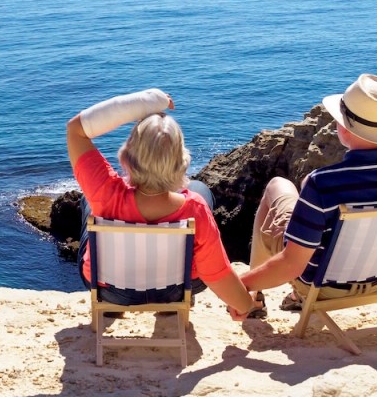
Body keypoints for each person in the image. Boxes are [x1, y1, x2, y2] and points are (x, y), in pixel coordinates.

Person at [237, 73, 377, 321]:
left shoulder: (323, 182)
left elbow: (292, 265)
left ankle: (253, 299)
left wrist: (238, 285)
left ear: (343, 127)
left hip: (319, 285)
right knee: (310, 200)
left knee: (278, 185)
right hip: (376, 282)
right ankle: (286, 298)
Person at [66, 88, 257, 317]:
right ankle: (170, 310)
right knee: (200, 189)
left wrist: (146, 103)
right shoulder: (194, 208)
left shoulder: (105, 192)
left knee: (90, 200)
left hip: (109, 291)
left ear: (127, 156)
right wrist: (245, 304)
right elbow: (218, 273)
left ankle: (112, 310)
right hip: (175, 291)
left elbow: (75, 129)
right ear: (181, 162)